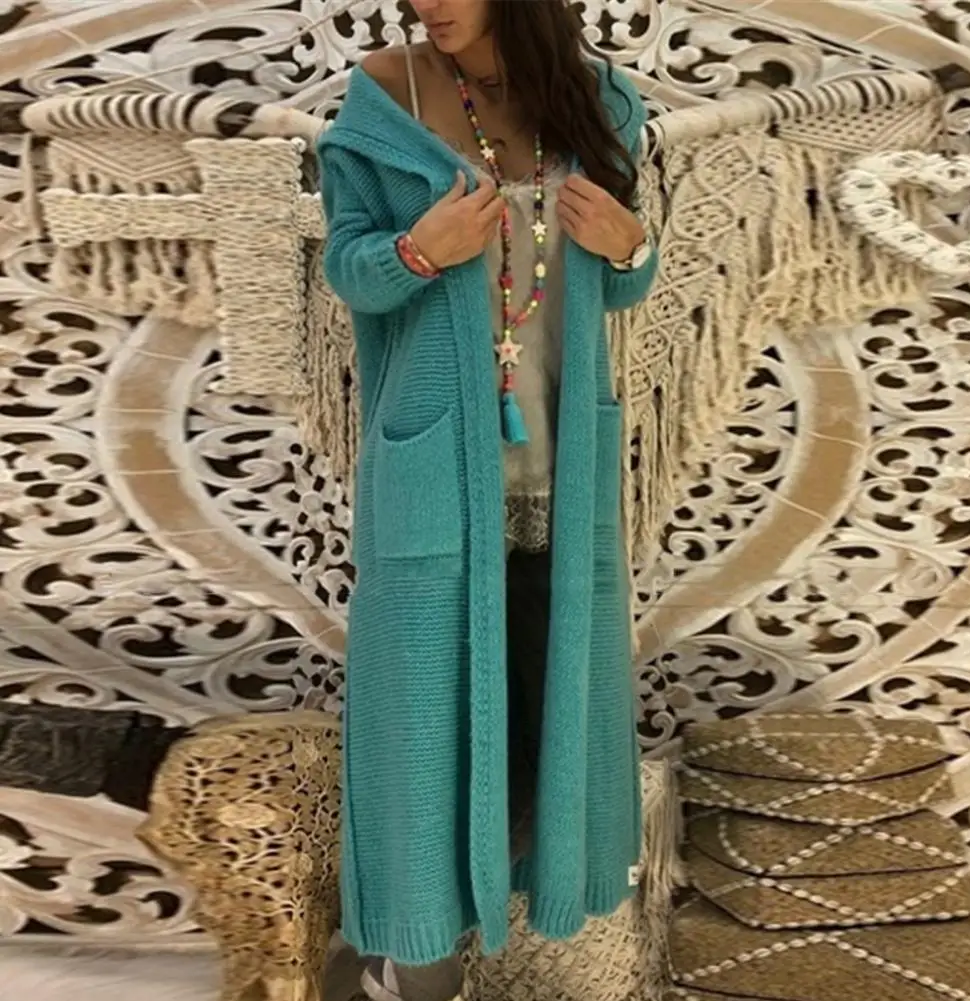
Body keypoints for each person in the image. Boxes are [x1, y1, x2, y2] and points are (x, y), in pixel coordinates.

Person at [318, 2, 658, 998]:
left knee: (546, 719)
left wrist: (631, 247)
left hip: (563, 470)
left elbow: (616, 284)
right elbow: (347, 269)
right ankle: (414, 969)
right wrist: (414, 253)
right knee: (421, 731)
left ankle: (519, 934)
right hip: (431, 471)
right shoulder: (385, 100)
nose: (427, 4)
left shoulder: (596, 101)